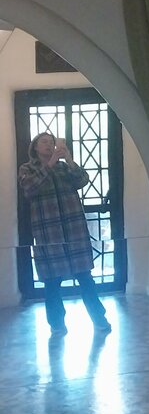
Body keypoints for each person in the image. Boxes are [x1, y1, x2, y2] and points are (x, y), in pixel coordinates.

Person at [17, 132, 110, 336]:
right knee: (52, 282)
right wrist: (50, 163)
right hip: (48, 234)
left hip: (74, 231)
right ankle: (57, 324)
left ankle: (99, 319)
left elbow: (83, 180)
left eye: (52, 142)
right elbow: (29, 188)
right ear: (35, 147)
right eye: (44, 142)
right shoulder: (27, 169)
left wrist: (68, 159)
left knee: (85, 277)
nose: (49, 145)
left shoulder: (64, 168)